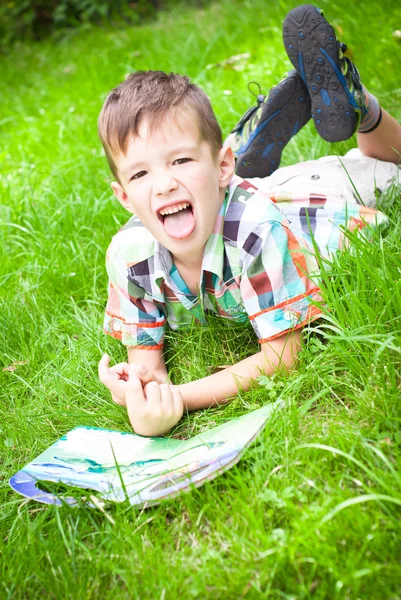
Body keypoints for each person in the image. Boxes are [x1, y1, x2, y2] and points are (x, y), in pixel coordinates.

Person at [98, 5, 400, 437]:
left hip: (316, 206)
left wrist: (182, 398)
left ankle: (358, 104)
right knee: (245, 194)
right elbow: (148, 362)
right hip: (243, 196)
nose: (162, 186)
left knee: (385, 167)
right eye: (142, 173)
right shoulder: (129, 257)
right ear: (124, 196)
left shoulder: (257, 229)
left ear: (223, 167)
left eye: (178, 161)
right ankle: (234, 155)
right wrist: (141, 394)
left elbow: (283, 356)